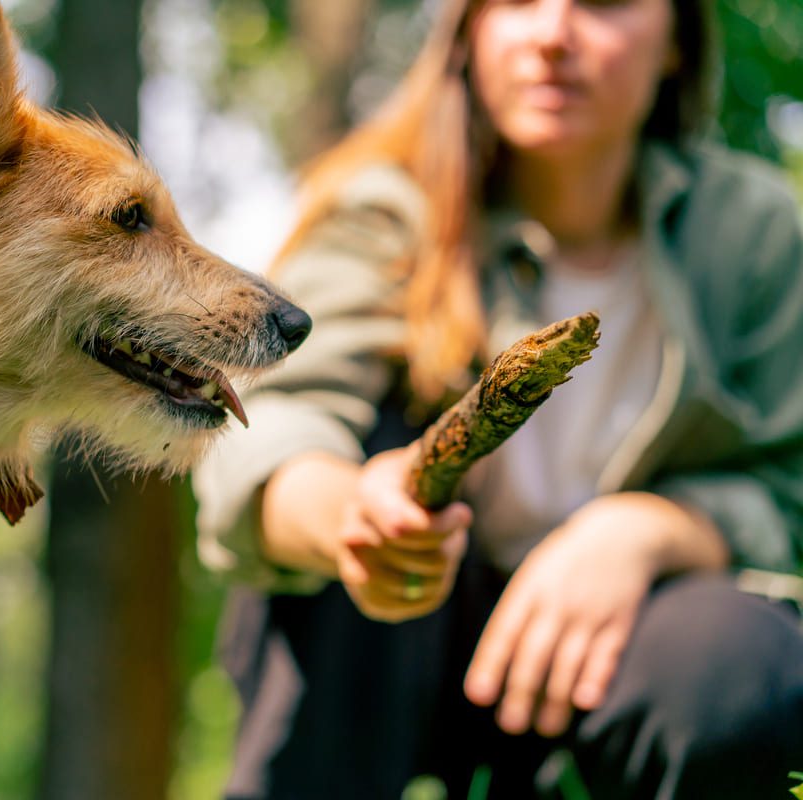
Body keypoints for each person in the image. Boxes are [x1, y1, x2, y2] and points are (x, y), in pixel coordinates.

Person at [193, 0, 803, 798]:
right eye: (516, 0)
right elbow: (269, 423)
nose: (553, 33)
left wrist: (650, 530)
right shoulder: (383, 209)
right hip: (394, 637)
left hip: (617, 647)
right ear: (467, 32)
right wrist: (354, 521)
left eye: (606, 2)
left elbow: (789, 493)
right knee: (354, 494)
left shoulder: (750, 233)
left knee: (741, 665)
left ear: (677, 44)